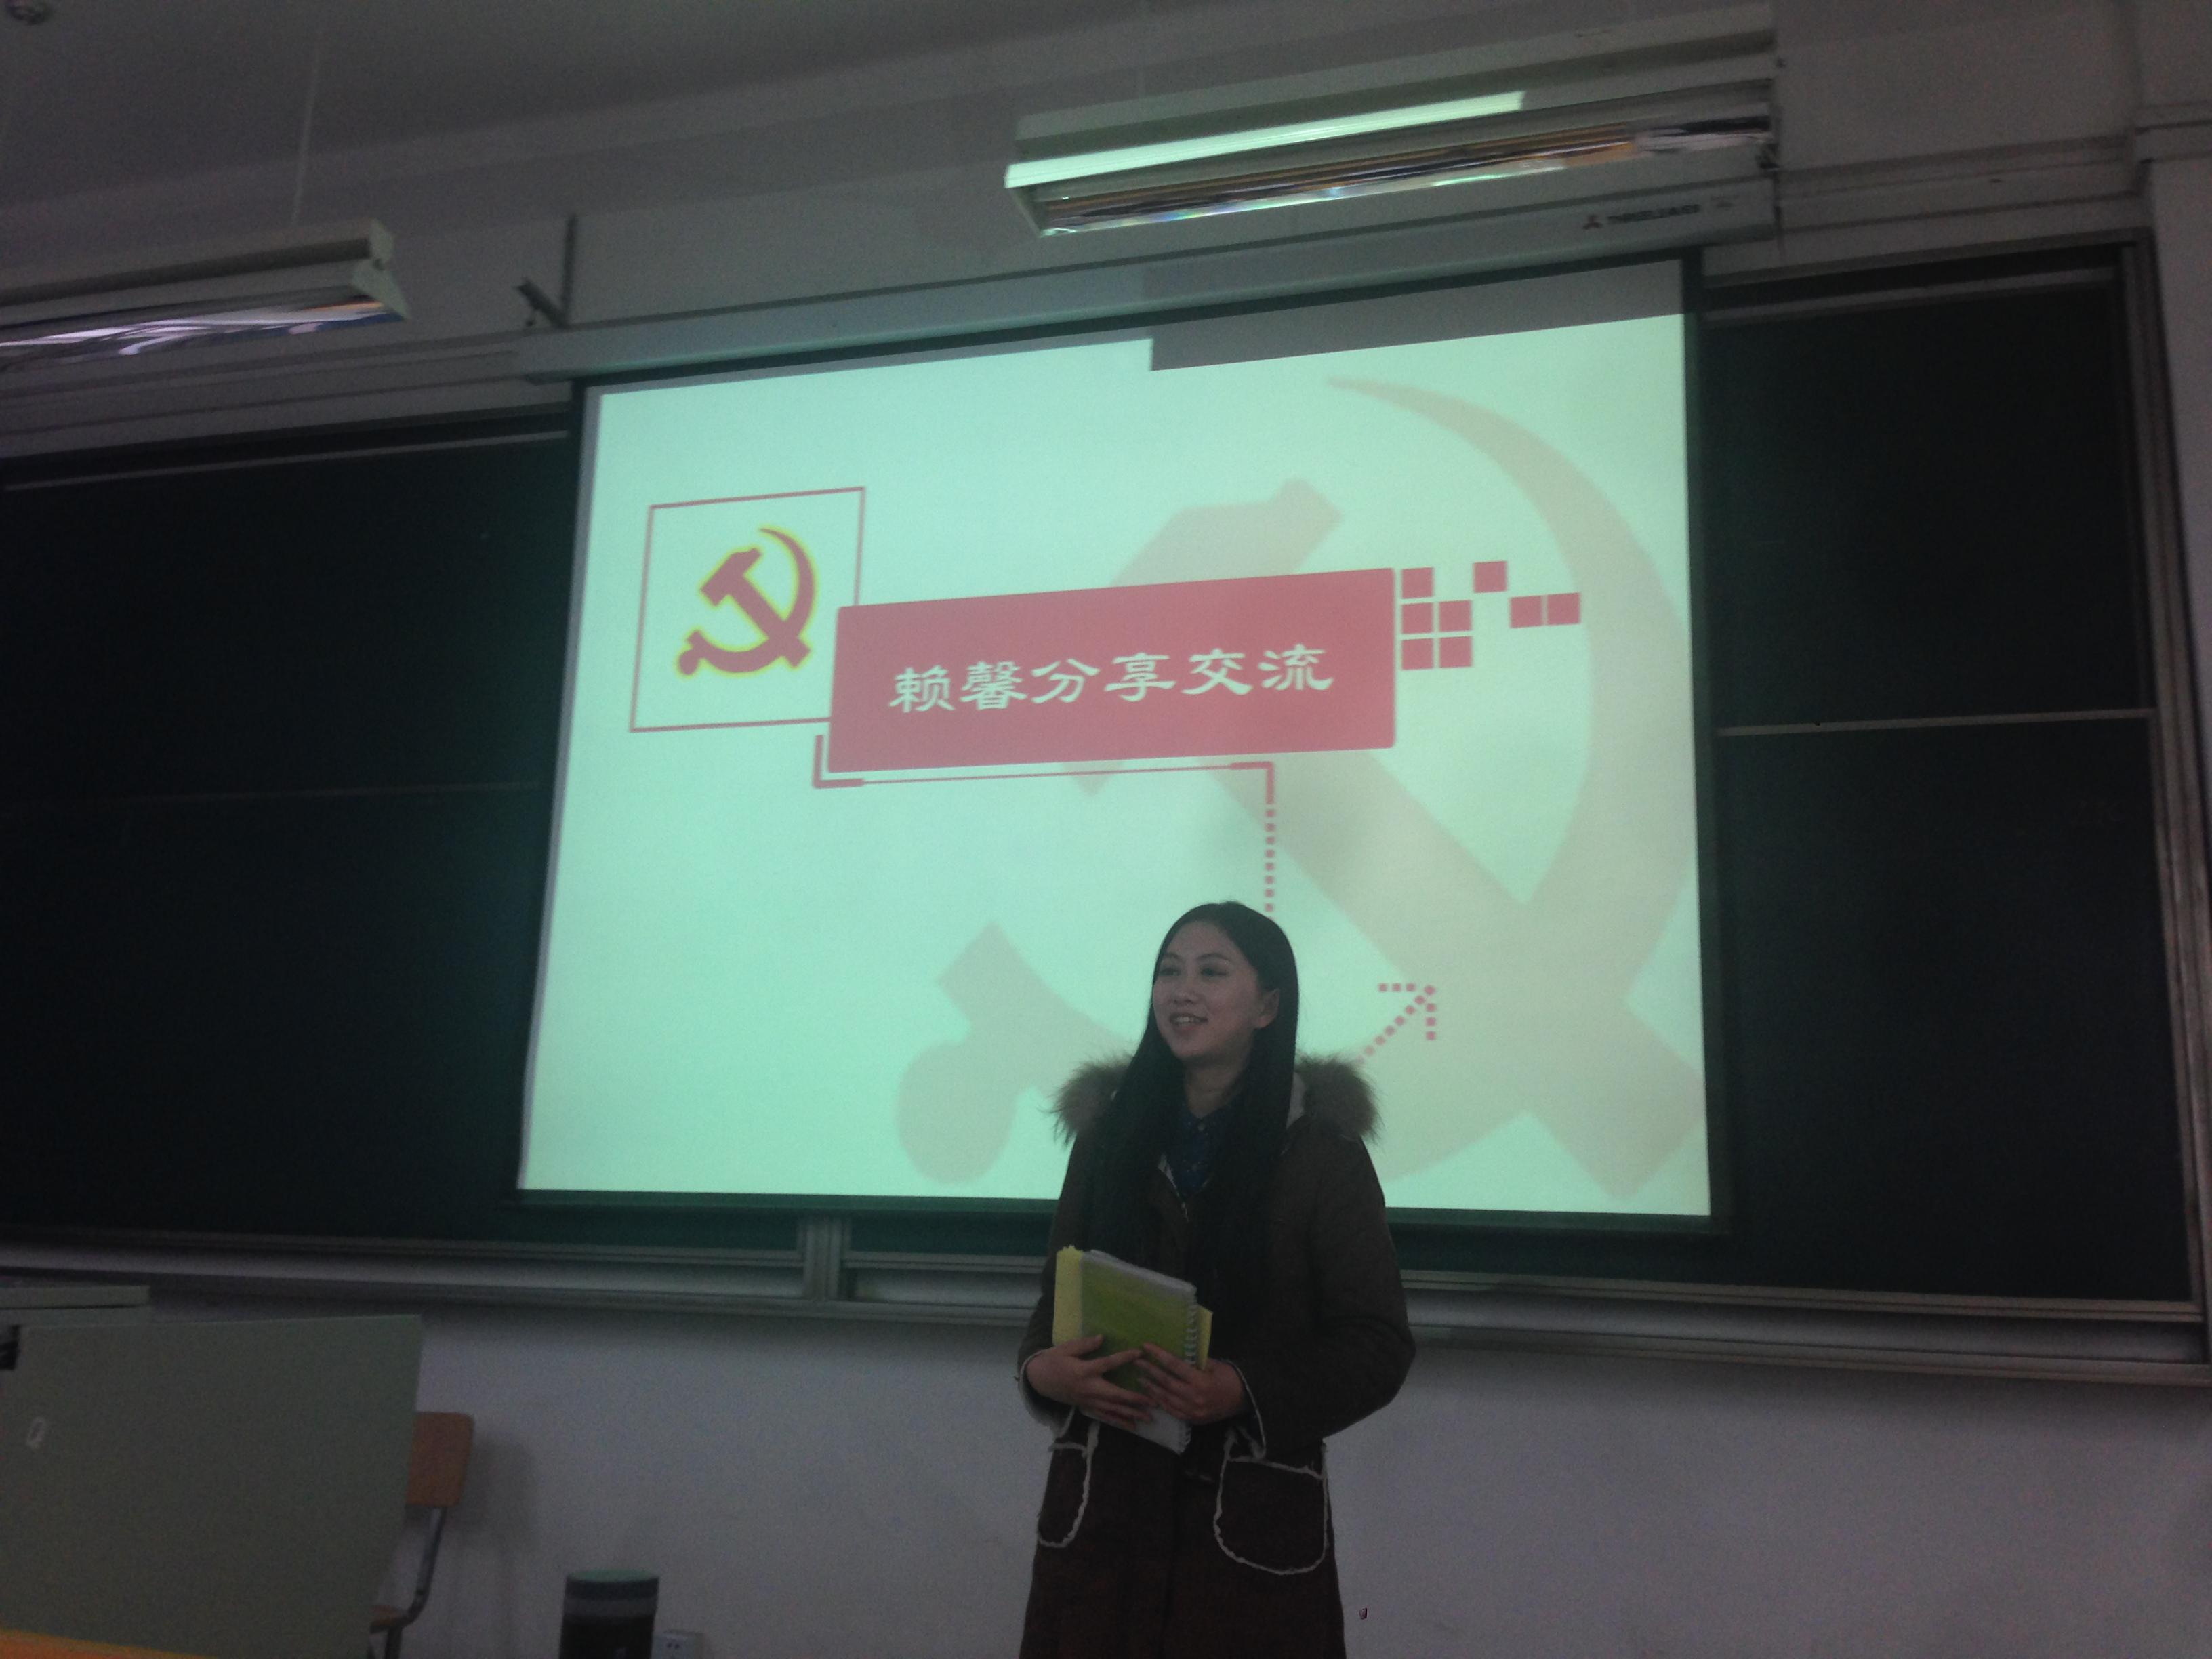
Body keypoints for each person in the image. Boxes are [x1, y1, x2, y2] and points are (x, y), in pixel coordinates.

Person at [1015, 900, 1414, 1659]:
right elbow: (1053, 1300)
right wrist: (1043, 1370)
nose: (1182, 991)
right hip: (1104, 1515)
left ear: (1268, 1006)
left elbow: (1377, 1344)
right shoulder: (1110, 1137)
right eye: (1169, 972)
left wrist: (1240, 1389)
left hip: (1246, 1528)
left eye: (1211, 972)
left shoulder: (1320, 1152)